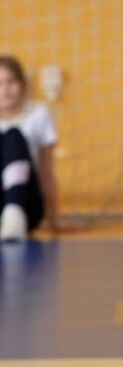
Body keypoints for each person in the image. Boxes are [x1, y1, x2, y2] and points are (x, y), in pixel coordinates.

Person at [0, 56, 65, 241]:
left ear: (23, 84)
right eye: (0, 83)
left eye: (11, 81)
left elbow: (47, 172)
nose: (5, 88)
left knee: (13, 135)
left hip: (27, 205)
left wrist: (54, 221)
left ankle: (13, 214)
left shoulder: (39, 115)